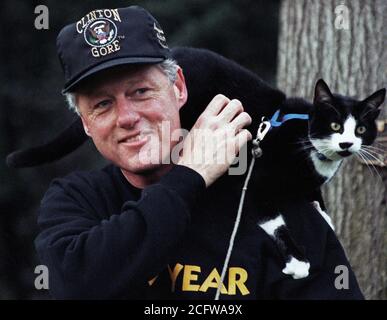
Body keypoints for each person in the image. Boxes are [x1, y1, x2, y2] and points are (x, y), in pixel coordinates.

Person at [35, 5, 364, 299]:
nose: (127, 117)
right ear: (86, 123)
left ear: (178, 88)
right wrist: (189, 176)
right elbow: (76, 285)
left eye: (140, 91)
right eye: (103, 104)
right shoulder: (76, 200)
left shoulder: (271, 198)